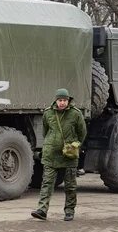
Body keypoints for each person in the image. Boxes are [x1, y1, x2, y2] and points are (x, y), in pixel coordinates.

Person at [31, 88, 87, 222]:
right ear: (56, 100)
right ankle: (42, 210)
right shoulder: (48, 113)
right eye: (60, 100)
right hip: (51, 154)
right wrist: (51, 144)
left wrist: (75, 144)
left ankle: (69, 211)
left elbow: (82, 132)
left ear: (68, 101)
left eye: (64, 100)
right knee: (47, 183)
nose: (62, 103)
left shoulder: (75, 114)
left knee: (70, 185)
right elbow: (46, 132)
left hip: (69, 154)